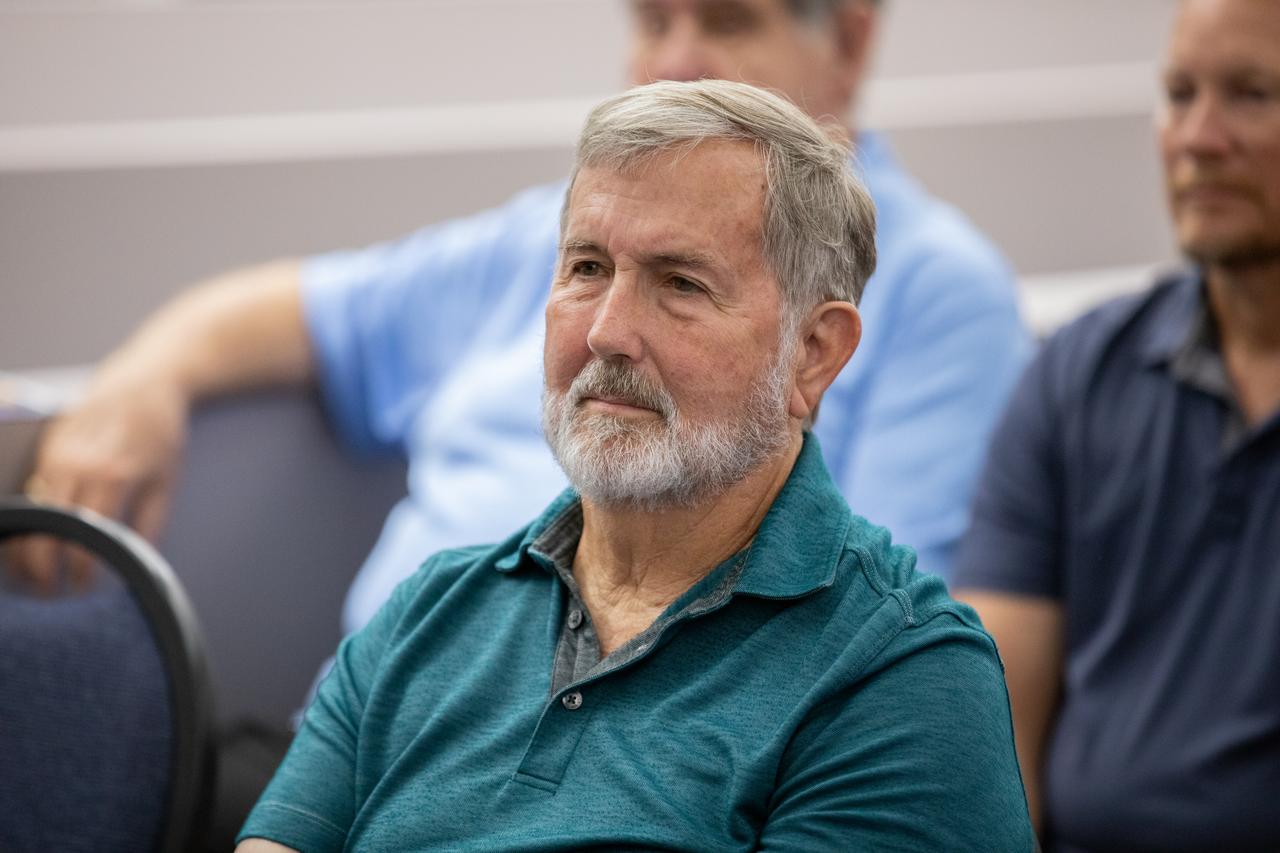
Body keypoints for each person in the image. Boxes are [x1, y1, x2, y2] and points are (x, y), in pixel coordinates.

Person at [23, 0, 1028, 843]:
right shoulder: (428, 612)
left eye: (681, 284)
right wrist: (141, 380)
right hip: (385, 722)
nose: (607, 331)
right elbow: (308, 313)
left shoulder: (894, 676)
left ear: (815, 354)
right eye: (585, 268)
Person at [952, 0, 1280, 848]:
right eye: (1180, 93)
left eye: (1253, 94)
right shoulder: (1077, 375)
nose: (1199, 138)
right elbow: (988, 741)